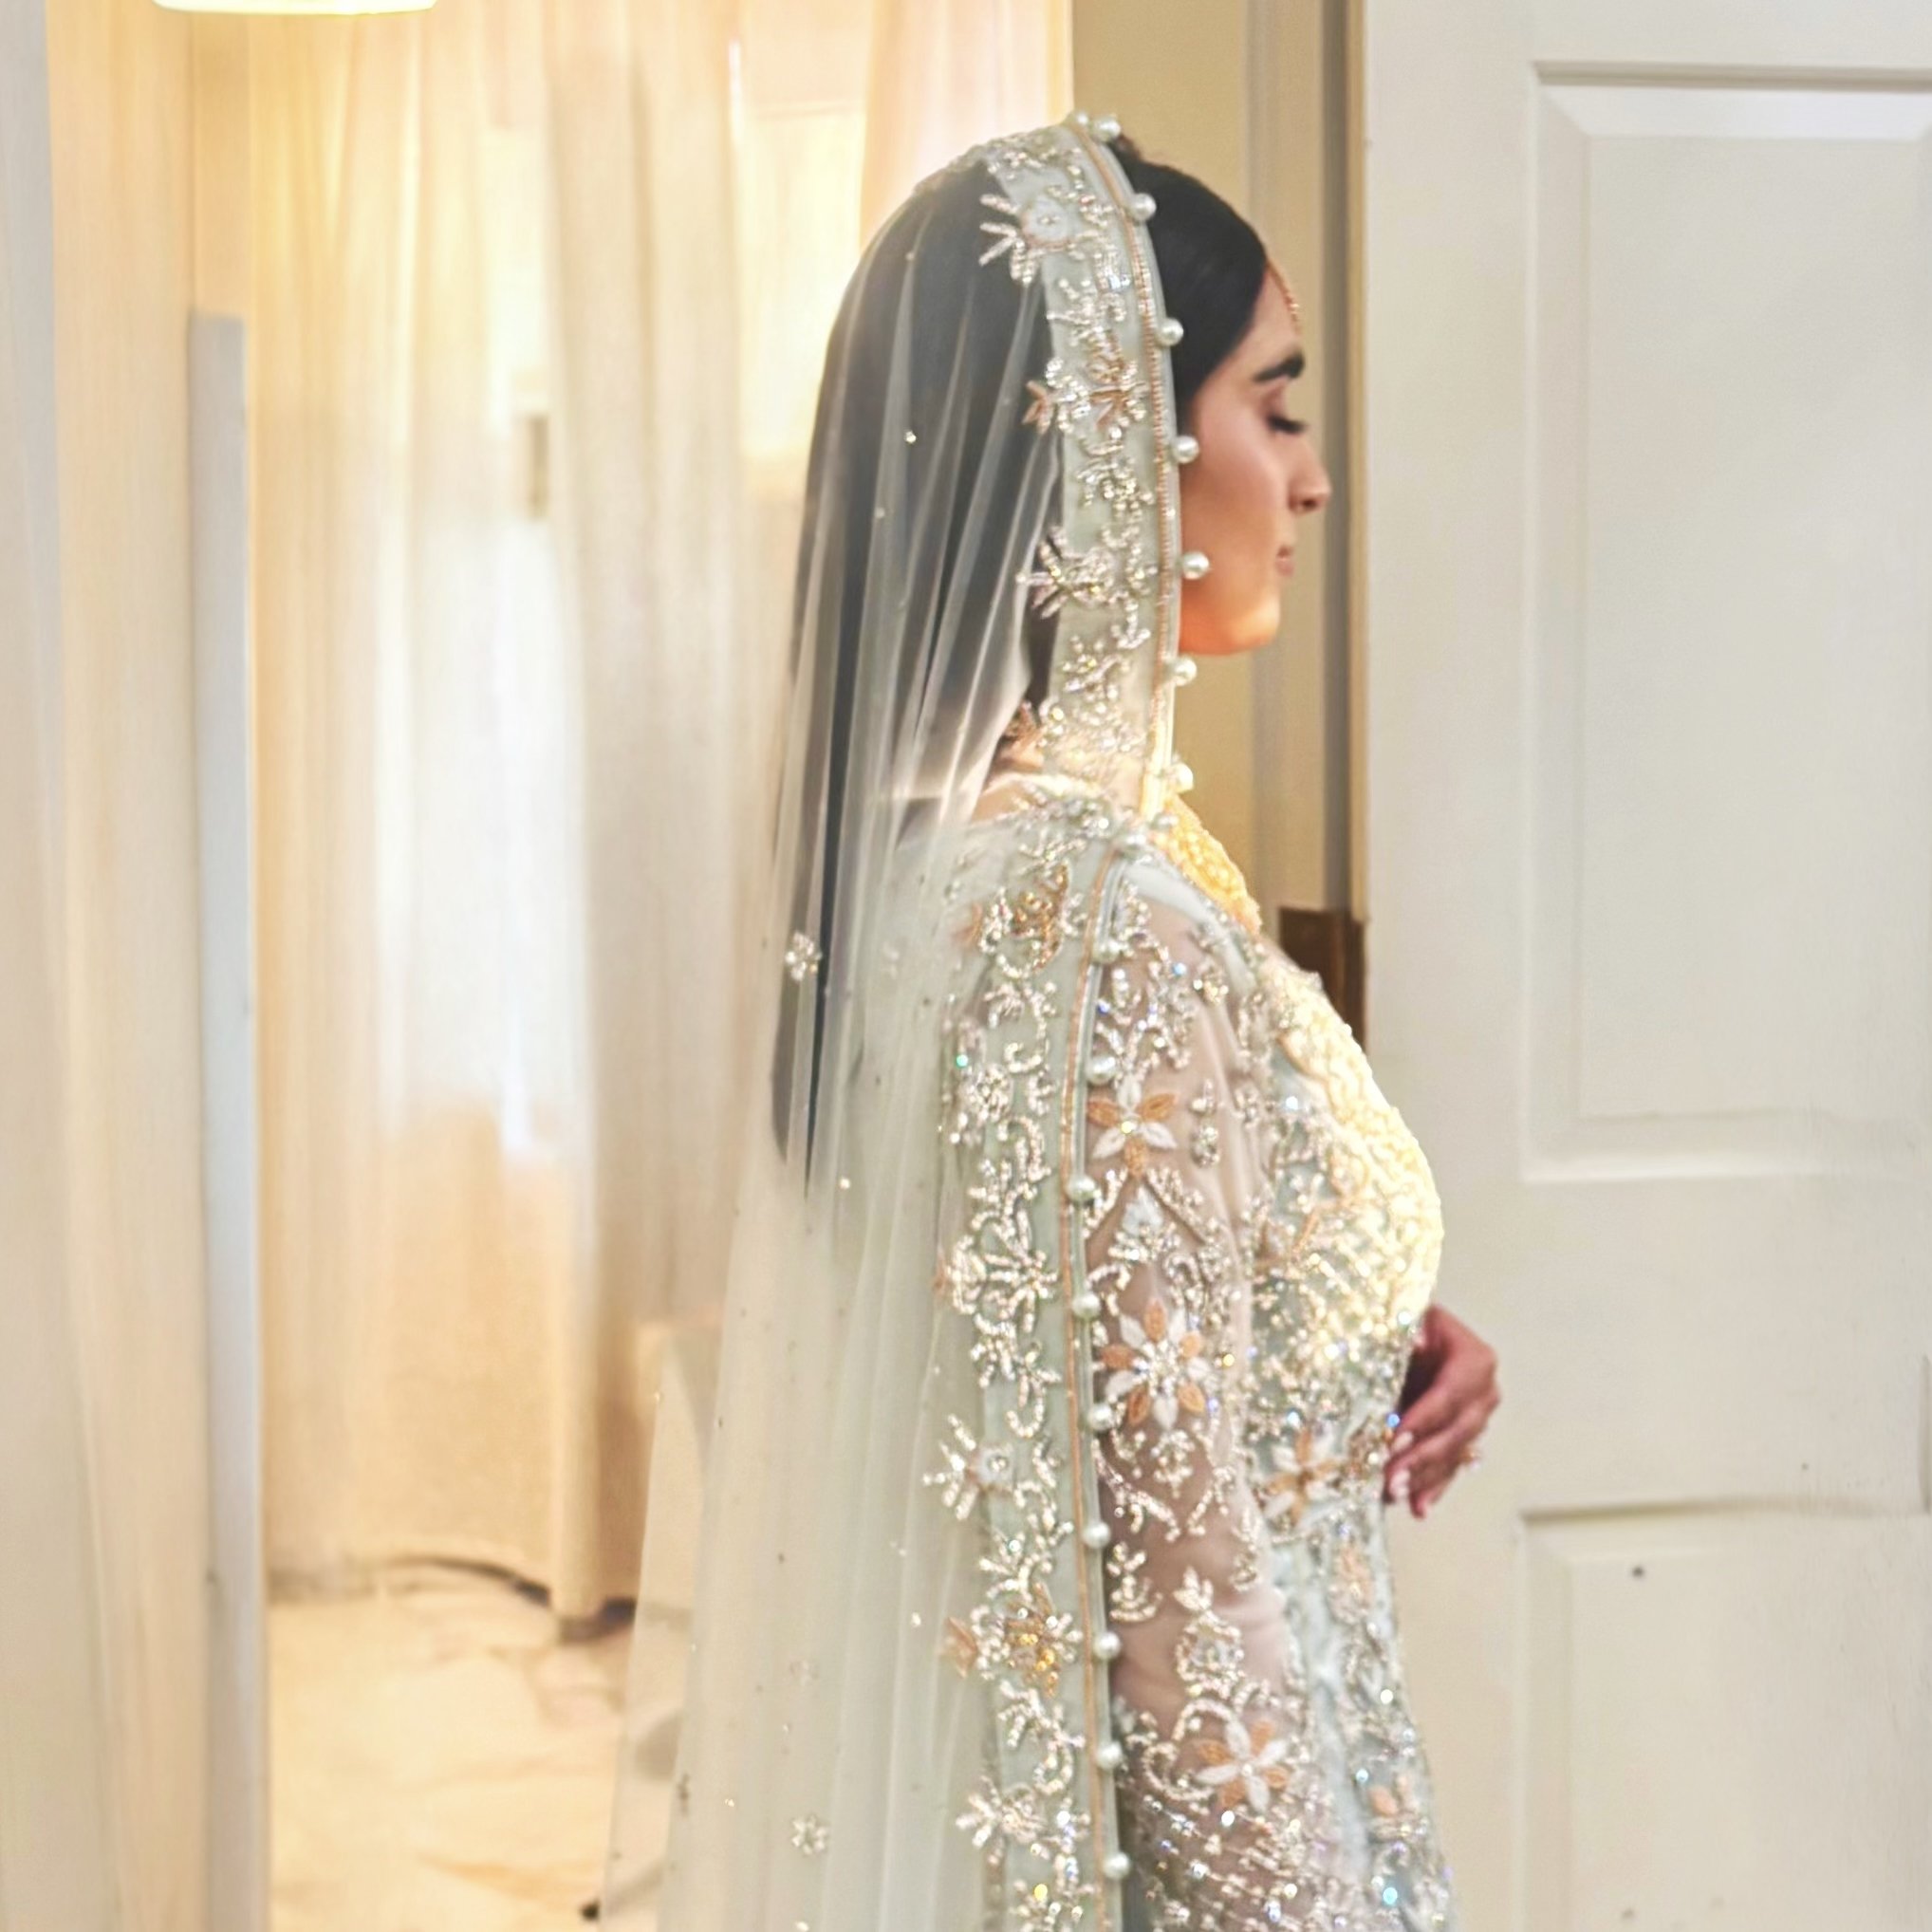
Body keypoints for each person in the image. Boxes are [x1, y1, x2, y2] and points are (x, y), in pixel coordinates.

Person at [599, 111, 1500, 1931]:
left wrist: (1351, 1312)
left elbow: (1065, 1347)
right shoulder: (1118, 927)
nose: (1313, 481)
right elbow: (1176, 1594)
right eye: (1280, 405)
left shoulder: (973, 874)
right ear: (1111, 444)